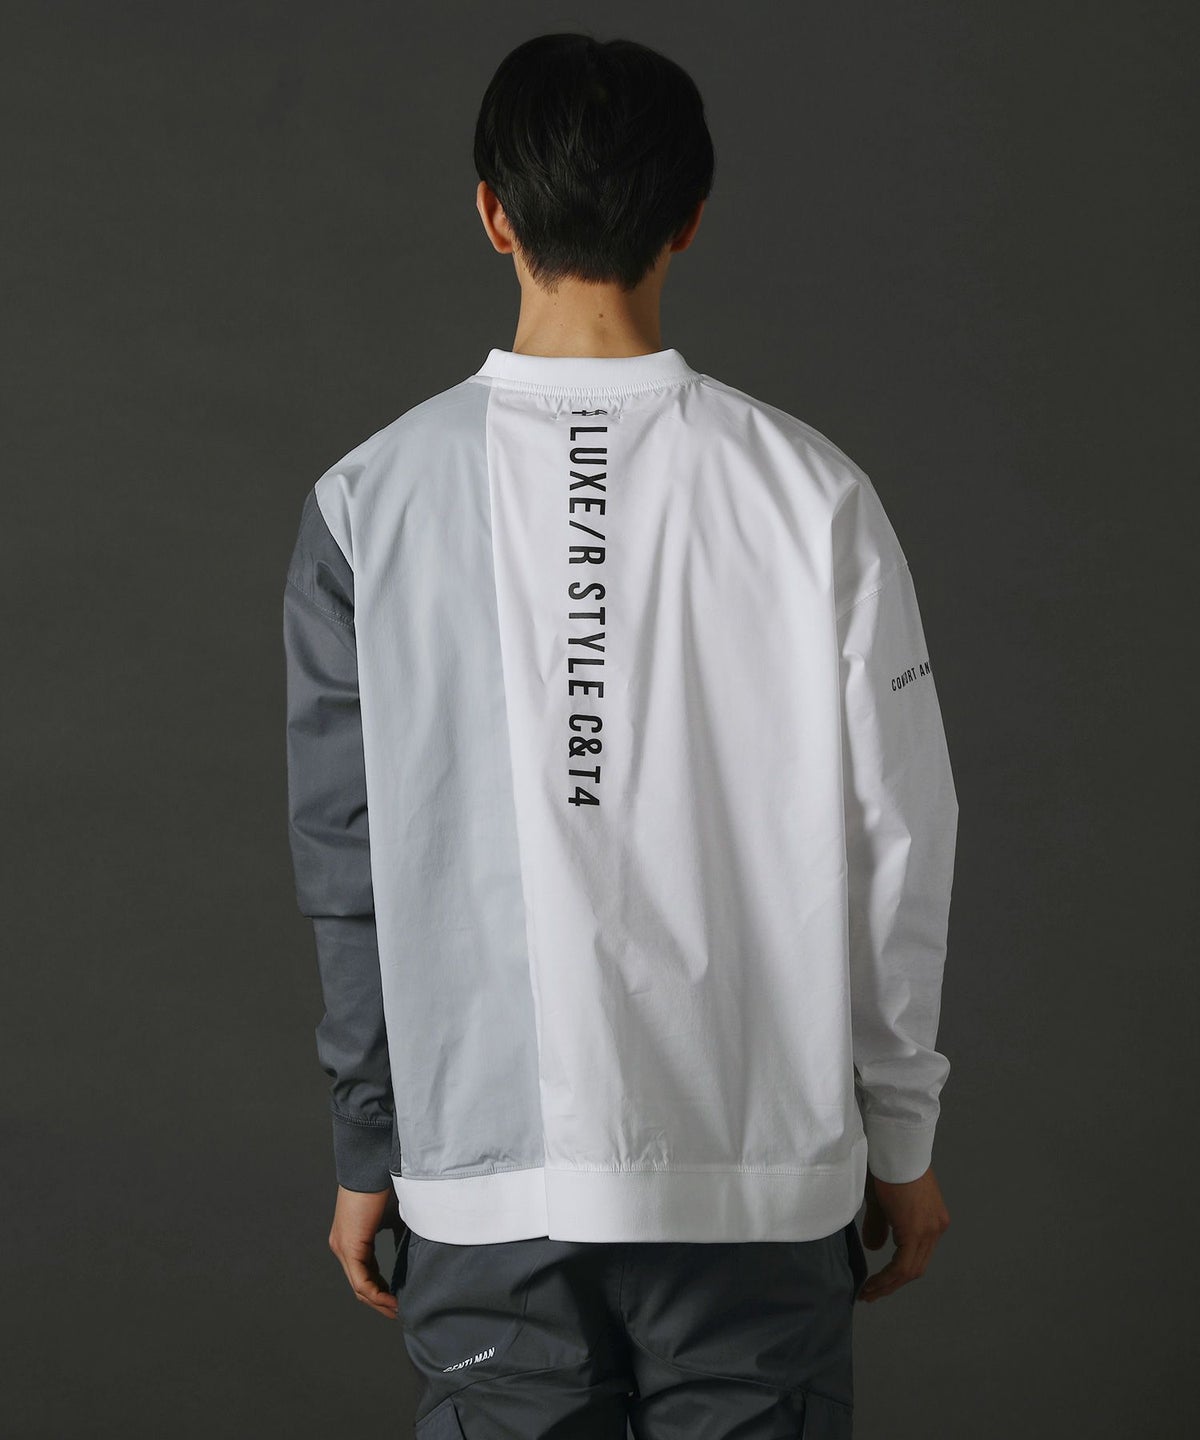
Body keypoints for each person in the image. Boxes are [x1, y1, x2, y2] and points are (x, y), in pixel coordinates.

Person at [282, 30, 958, 1440]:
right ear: (689, 218)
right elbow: (899, 835)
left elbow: (348, 860)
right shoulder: (815, 494)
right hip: (756, 1175)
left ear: (493, 213)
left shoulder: (367, 502)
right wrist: (901, 1134)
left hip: (485, 1190)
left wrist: (368, 1144)